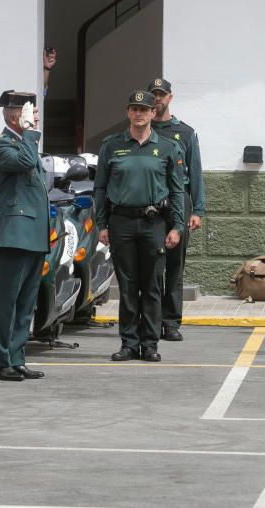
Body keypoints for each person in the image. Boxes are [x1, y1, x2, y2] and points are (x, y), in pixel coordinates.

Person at [94, 90, 185, 363]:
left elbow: (177, 191)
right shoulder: (111, 146)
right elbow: (100, 188)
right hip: (121, 222)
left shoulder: (168, 147)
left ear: (153, 113)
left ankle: (150, 344)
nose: (139, 113)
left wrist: (177, 226)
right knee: (127, 286)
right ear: (127, 112)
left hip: (153, 223)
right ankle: (129, 343)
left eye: (144, 109)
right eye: (134, 109)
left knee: (153, 285)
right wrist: (102, 223)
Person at [0, 90, 49, 381]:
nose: (36, 120)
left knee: (26, 303)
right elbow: (24, 162)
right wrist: (30, 134)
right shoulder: (3, 145)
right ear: (15, 116)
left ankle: (17, 357)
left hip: (33, 234)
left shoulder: (23, 144)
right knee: (6, 302)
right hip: (13, 234)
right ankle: (1, 361)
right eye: (30, 115)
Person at [147, 78, 205, 342]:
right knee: (151, 264)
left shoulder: (185, 132)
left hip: (179, 201)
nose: (158, 99)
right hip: (150, 203)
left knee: (174, 265)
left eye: (162, 95)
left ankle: (171, 321)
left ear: (170, 97)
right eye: (154, 95)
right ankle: (151, 319)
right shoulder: (143, 130)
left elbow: (195, 173)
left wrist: (197, 210)